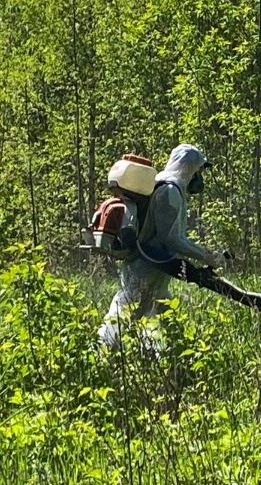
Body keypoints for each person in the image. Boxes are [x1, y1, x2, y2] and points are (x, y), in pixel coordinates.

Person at [98, 144, 229, 348]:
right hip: (147, 266)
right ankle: (99, 351)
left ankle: (169, 360)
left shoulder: (165, 184)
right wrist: (208, 256)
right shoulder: (170, 191)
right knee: (125, 311)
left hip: (155, 266)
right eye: (199, 171)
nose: (200, 177)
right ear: (189, 167)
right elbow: (172, 239)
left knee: (163, 314)